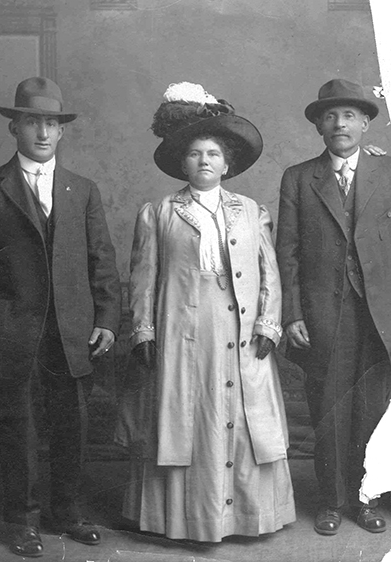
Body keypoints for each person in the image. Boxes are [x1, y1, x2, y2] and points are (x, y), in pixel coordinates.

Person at [115, 82, 295, 542]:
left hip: (240, 330)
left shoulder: (253, 212)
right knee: (189, 416)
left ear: (227, 162)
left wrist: (269, 323)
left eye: (213, 154)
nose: (205, 162)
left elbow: (269, 271)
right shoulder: (159, 212)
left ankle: (245, 517)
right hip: (182, 330)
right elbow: (143, 277)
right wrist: (143, 330)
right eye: (195, 154)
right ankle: (185, 518)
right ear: (182, 163)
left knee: (243, 414)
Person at [0, 77, 121, 557]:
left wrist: (107, 317)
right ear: (14, 127)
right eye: (32, 122)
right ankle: (22, 521)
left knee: (72, 422)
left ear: (62, 131)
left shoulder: (82, 189)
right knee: (19, 426)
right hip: (9, 328)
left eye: (51, 123)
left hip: (71, 328)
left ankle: (66, 511)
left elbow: (101, 260)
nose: (43, 132)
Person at [276, 78, 391, 536]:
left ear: (365, 122)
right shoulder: (300, 177)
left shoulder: (387, 172)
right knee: (328, 407)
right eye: (330, 115)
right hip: (324, 313)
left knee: (370, 407)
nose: (339, 123)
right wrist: (292, 314)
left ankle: (364, 498)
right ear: (318, 127)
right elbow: (287, 251)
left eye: (349, 115)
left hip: (379, 315)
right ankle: (330, 500)